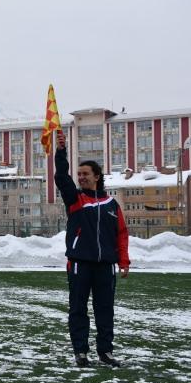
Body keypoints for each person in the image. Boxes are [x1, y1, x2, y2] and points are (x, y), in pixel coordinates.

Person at [55, 131, 129, 367]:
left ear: (97, 176)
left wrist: (124, 261)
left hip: (105, 265)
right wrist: (61, 151)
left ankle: (105, 352)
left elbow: (121, 234)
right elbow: (60, 176)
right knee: (78, 309)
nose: (81, 177)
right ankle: (81, 352)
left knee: (104, 310)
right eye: (79, 174)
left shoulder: (111, 204)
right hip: (79, 263)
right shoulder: (75, 199)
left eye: (85, 174)